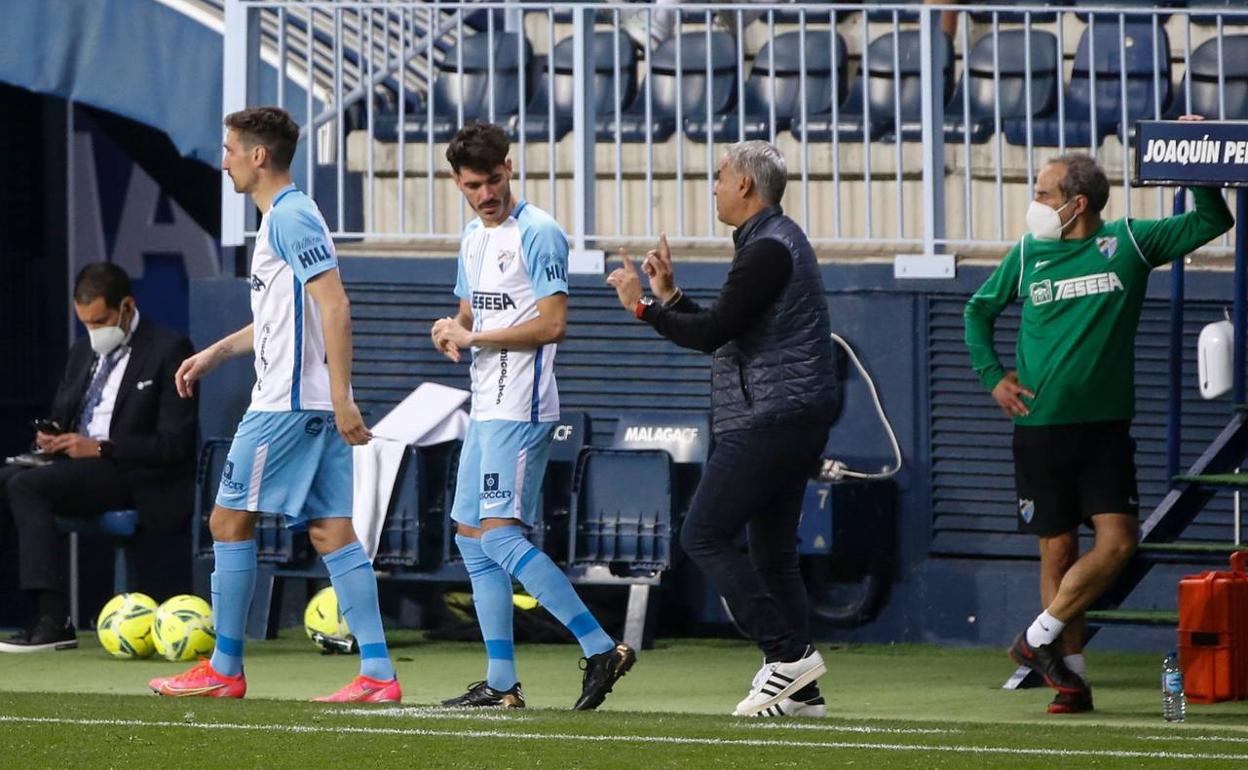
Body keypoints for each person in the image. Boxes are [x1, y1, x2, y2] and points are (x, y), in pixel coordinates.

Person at [963, 124, 1234, 714]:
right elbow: (978, 310)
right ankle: (1072, 679)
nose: (1034, 204)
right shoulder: (1029, 253)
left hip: (1105, 427)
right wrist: (993, 376)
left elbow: (1211, 224)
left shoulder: (1129, 244)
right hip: (1038, 429)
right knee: (1056, 552)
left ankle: (1035, 640)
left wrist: (1202, 166)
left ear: (1075, 203)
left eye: (1042, 193)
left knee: (1117, 543)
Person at [148, 106, 399, 702]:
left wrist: (342, 397)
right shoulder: (284, 218)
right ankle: (379, 676)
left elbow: (334, 305)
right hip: (304, 402)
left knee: (227, 521)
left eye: (230, 148)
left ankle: (224, 669)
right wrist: (215, 353)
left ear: (258, 156)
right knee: (333, 533)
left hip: (286, 407)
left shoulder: (291, 217)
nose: (224, 159)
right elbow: (281, 318)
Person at [606, 140, 840, 717]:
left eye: (718, 177)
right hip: (792, 414)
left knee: (702, 534)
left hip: (773, 416)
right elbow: (731, 326)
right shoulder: (771, 244)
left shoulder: (767, 250)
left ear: (745, 186)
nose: (712, 187)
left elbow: (713, 332)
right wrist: (672, 298)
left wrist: (644, 309)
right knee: (772, 553)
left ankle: (787, 655)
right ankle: (801, 690)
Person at [430, 121, 635, 711]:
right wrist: (451, 329)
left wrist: (473, 338)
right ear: (458, 182)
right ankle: (501, 684)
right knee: (471, 537)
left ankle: (601, 647)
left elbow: (552, 324)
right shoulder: (472, 237)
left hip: (522, 407)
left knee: (500, 535)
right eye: (474, 184)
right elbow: (470, 312)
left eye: (494, 179)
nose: (486, 192)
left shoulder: (540, 233)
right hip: (485, 407)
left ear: (509, 169)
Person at [0, 263, 197, 653]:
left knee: (26, 486)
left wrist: (103, 448)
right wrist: (52, 437)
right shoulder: (83, 351)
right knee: (7, 477)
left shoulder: (169, 349)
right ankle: (33, 610)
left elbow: (175, 443)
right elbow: (64, 413)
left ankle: (53, 620)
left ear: (126, 307)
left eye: (101, 320)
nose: (95, 331)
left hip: (133, 474)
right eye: (86, 323)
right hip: (79, 467)